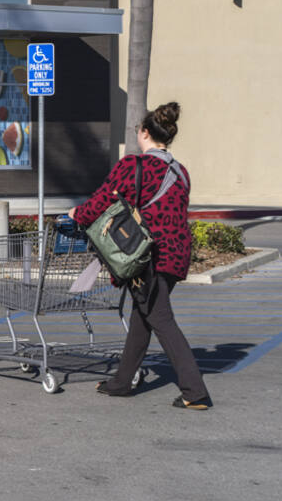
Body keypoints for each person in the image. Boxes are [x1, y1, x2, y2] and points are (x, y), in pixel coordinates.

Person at [72, 102, 211, 410]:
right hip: (176, 254)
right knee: (144, 316)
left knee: (159, 317)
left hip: (145, 255)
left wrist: (77, 213)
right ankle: (122, 383)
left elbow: (103, 199)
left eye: (138, 131)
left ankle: (195, 390)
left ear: (145, 133)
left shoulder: (134, 165)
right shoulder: (181, 172)